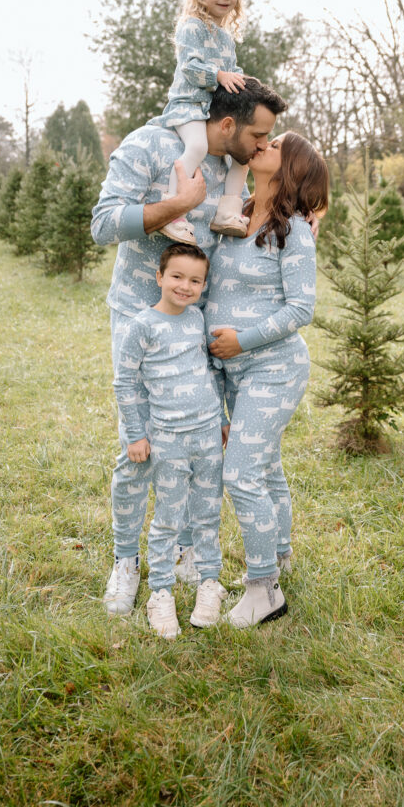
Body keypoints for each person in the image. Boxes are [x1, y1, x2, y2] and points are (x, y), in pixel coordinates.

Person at [92, 78, 288, 617]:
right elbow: (104, 223)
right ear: (227, 125)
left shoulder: (235, 167)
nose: (263, 144)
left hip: (198, 328)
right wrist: (176, 204)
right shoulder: (149, 146)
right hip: (142, 315)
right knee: (143, 446)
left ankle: (181, 551)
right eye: (258, 133)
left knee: (200, 444)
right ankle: (125, 562)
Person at [206, 131, 329, 627]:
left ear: (290, 168)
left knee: (239, 472)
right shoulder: (234, 214)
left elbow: (302, 308)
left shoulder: (294, 231)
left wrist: (243, 340)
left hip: (273, 367)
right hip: (231, 369)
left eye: (274, 143)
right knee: (266, 466)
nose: (261, 144)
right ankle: (278, 555)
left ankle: (264, 590)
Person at [117, 243, 227, 638]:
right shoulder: (142, 325)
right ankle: (159, 592)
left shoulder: (196, 319)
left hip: (207, 433)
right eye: (177, 276)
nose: (185, 286)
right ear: (160, 277)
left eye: (195, 280)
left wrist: (223, 419)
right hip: (167, 438)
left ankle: (209, 583)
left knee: (207, 512)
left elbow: (211, 371)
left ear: (203, 285)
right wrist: (136, 435)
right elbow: (125, 381)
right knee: (168, 516)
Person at [148, 0, 250, 244]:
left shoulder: (226, 37)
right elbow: (190, 67)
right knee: (197, 145)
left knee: (241, 156)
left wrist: (246, 83)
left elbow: (232, 72)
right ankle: (172, 211)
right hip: (190, 106)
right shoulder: (190, 26)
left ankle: (227, 213)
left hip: (215, 113)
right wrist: (219, 76)